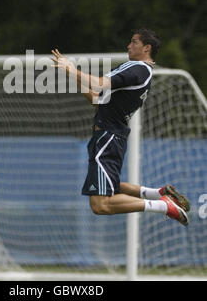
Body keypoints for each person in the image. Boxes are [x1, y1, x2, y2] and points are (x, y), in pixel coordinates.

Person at [51, 28, 190, 226]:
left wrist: (72, 69)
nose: (129, 45)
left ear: (146, 47)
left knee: (101, 204)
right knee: (108, 187)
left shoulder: (137, 68)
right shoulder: (143, 72)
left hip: (108, 137)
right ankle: (157, 193)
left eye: (134, 42)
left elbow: (99, 84)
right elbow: (97, 100)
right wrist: (74, 76)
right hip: (111, 137)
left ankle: (162, 205)